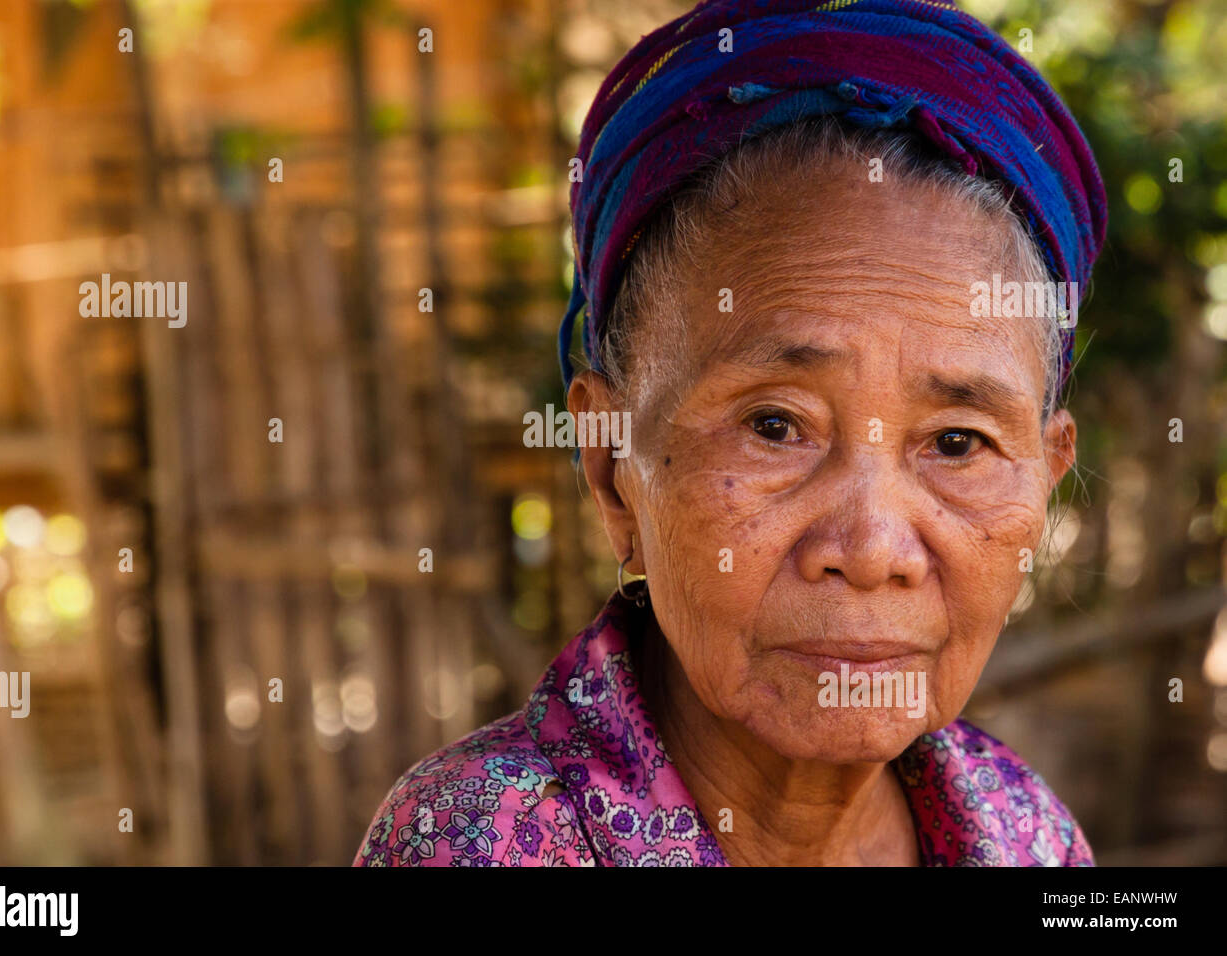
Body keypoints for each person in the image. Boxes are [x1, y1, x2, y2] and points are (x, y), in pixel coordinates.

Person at [355, 0, 1106, 867]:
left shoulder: (1026, 836)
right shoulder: (481, 846)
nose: (869, 548)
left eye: (957, 442)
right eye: (776, 425)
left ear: (1045, 475)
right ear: (610, 466)